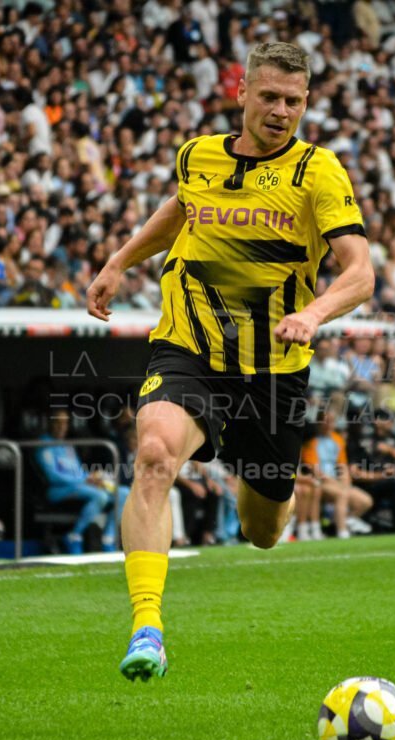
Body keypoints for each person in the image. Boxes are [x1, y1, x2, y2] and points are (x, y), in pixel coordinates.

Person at [86, 42, 373, 681]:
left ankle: (257, 478)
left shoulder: (318, 172)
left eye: (293, 101)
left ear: (306, 103)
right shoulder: (198, 155)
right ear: (242, 92)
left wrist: (313, 315)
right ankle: (147, 628)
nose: (280, 111)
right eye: (269, 96)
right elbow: (182, 209)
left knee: (262, 529)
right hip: (189, 349)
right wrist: (119, 262)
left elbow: (361, 273)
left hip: (273, 371)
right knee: (154, 454)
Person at [34, 409, 114, 555]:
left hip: (80, 486)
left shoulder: (67, 446)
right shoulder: (44, 445)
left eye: (65, 423)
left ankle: (108, 538)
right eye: (58, 422)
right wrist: (85, 479)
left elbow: (77, 471)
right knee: (101, 496)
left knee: (122, 493)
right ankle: (74, 536)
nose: (61, 427)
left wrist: (93, 478)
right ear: (50, 423)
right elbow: (53, 477)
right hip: (58, 490)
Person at [300, 410, 373, 539]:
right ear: (319, 423)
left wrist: (345, 482)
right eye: (326, 421)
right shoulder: (311, 441)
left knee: (366, 501)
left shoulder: (338, 439)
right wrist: (338, 484)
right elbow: (314, 470)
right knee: (342, 494)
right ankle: (342, 531)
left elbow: (342, 466)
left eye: (332, 421)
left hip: (336, 482)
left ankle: (343, 521)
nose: (329, 424)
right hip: (320, 482)